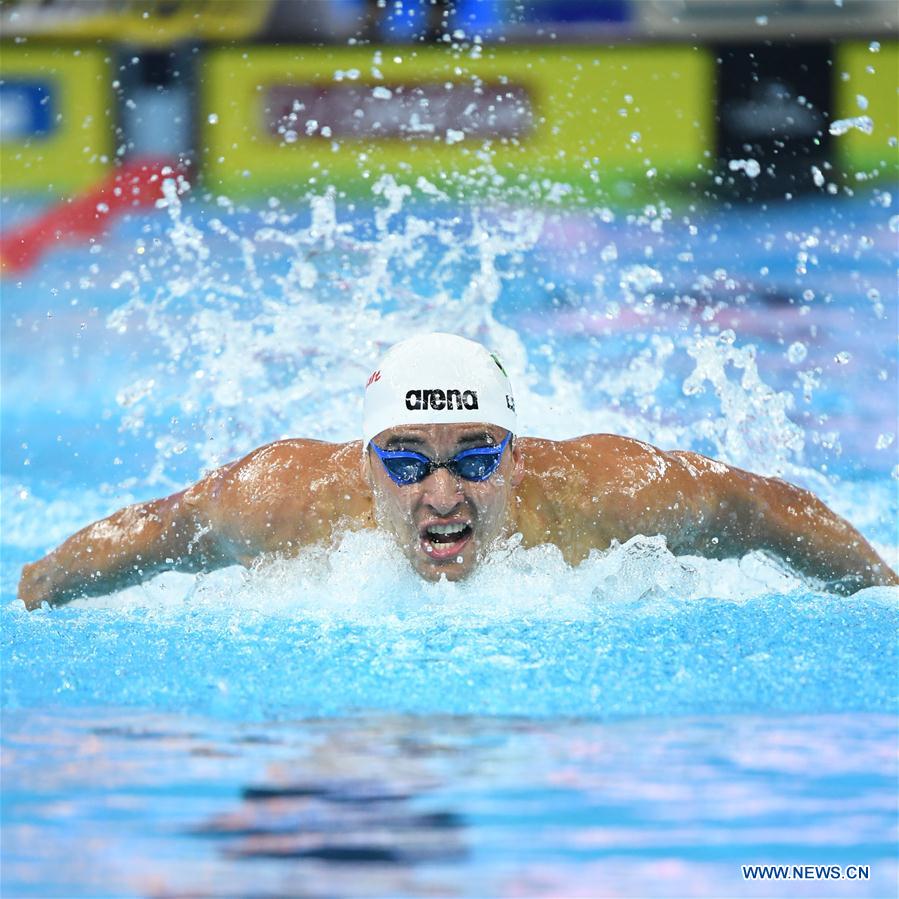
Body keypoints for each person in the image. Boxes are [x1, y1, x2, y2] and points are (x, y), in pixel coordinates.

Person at [17, 333, 898, 609]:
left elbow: (754, 504)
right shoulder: (283, 499)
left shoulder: (603, 493)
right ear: (364, 464)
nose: (441, 493)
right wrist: (40, 585)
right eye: (406, 463)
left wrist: (884, 592)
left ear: (515, 455)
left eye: (474, 458)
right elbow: (162, 527)